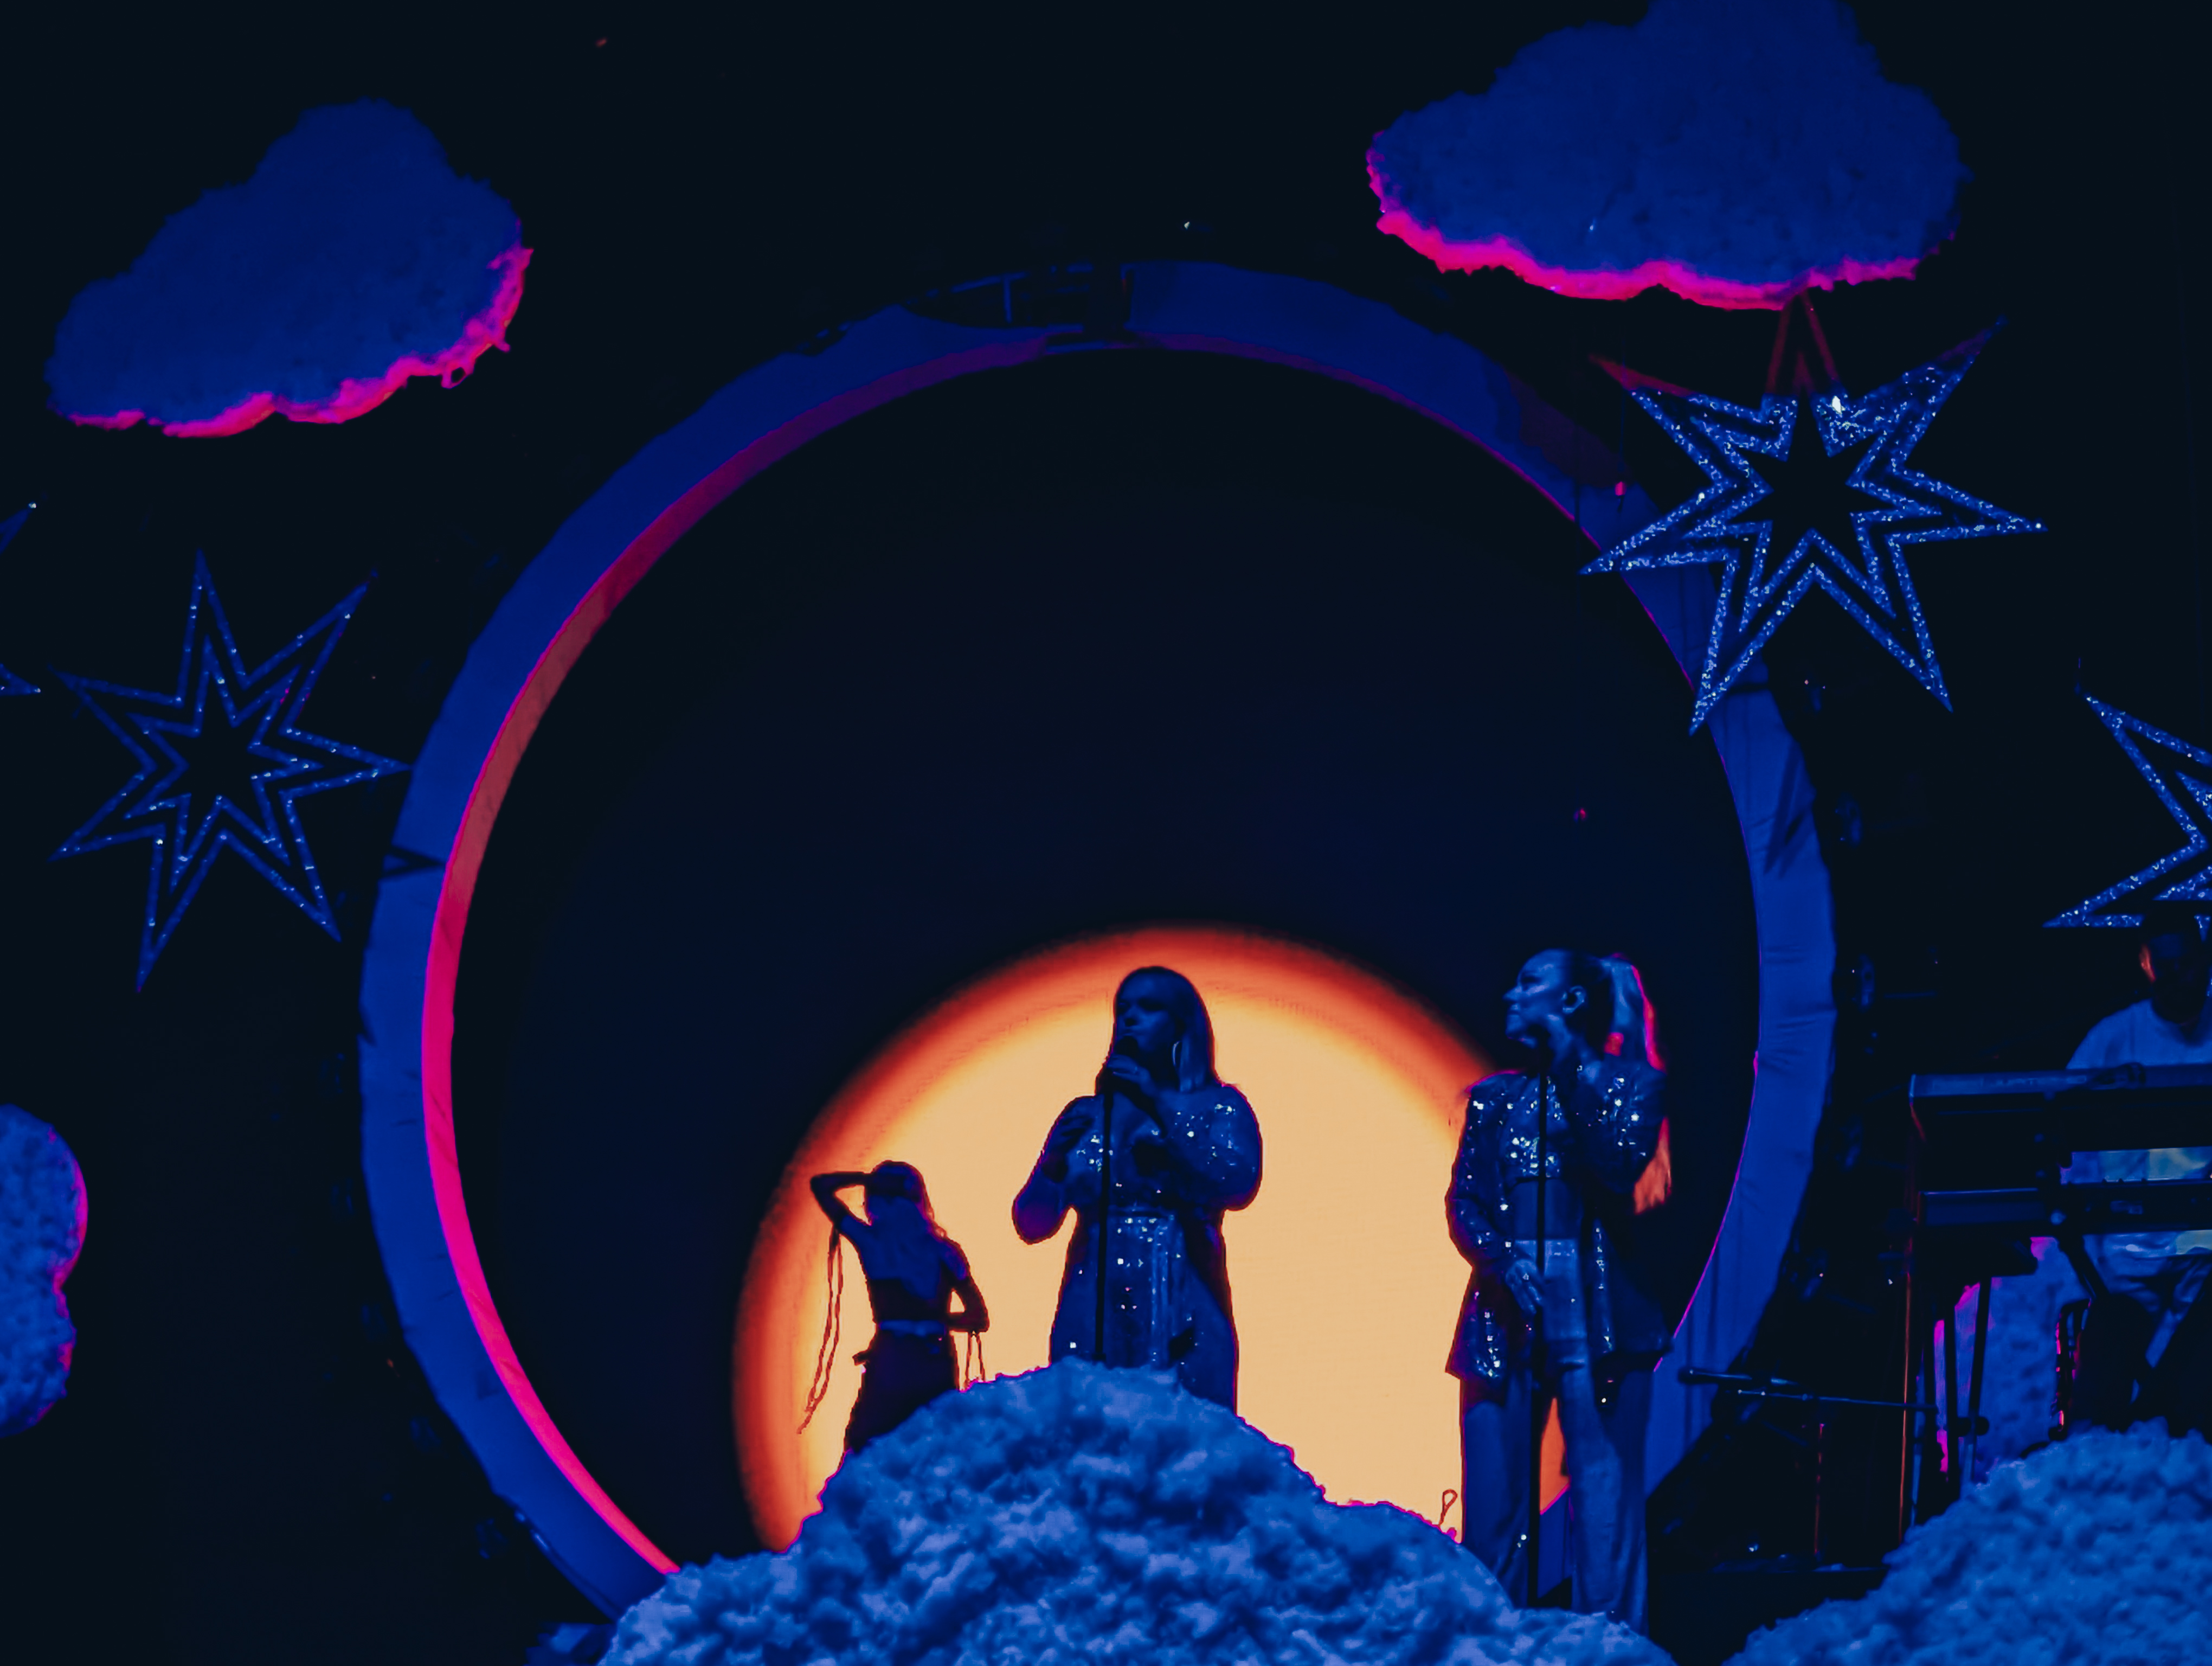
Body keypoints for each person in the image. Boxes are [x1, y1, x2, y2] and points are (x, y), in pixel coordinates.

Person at [1449, 949, 1670, 1633]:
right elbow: (1464, 1201)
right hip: (1503, 1303)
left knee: (1604, 1497)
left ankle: (1607, 1645)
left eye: (1529, 983)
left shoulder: (1632, 1085)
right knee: (1495, 1501)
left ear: (1570, 1002)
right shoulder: (1495, 1100)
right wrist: (1501, 1262)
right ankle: (1494, 1643)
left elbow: (1616, 1165)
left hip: (1598, 1307)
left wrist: (1572, 1062)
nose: (1510, 995)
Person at [1012, 965, 1262, 1408]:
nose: (1130, 1017)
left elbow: (1237, 1183)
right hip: (1094, 1287)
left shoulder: (1218, 1105)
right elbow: (1032, 1225)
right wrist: (1050, 1163)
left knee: (1185, 1423)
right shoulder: (1087, 1115)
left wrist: (1161, 1105)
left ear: (1181, 1024)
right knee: (1090, 1417)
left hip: (1180, 1283)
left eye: (1149, 1007)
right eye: (1123, 1008)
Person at [2064, 903, 2212, 1431]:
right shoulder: (2113, 1038)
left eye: (2187, 964)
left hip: (2204, 1243)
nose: (2179, 978)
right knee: (2103, 1372)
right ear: (2146, 968)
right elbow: (2064, 1121)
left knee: (2197, 1385)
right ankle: (2094, 1453)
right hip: (2128, 1246)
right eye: (2165, 968)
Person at [808, 1161, 988, 1452]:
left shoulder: (870, 1242)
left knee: (866, 1447)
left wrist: (864, 1178)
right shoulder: (946, 1251)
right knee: (938, 1447)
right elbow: (978, 1317)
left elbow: (820, 1186)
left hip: (892, 1356)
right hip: (936, 1357)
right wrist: (935, 1321)